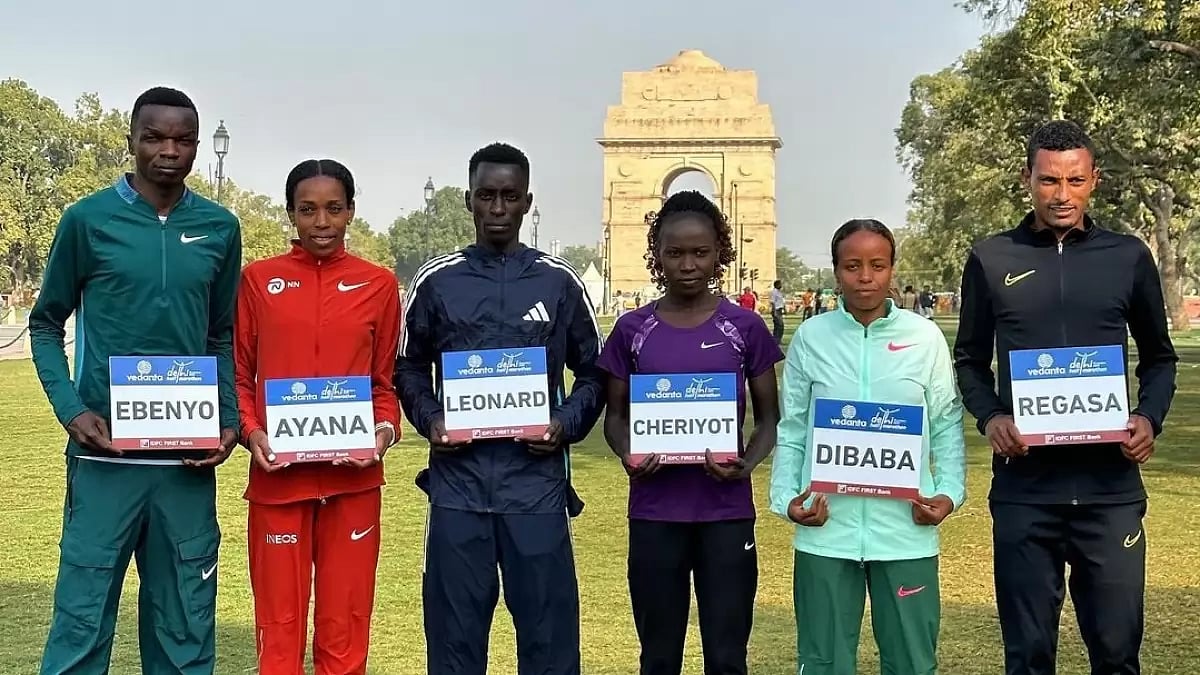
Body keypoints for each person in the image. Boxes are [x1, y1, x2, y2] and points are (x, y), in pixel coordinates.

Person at [29, 86, 241, 675]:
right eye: (155, 137)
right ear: (132, 140)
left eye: (182, 139)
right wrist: (72, 411)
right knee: (80, 624)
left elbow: (220, 335)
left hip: (185, 469)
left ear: (198, 147)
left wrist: (227, 420)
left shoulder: (220, 227)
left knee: (185, 631)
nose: (168, 150)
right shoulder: (87, 220)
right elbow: (44, 325)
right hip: (104, 464)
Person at [954, 120, 1177, 675]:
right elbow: (969, 361)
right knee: (1028, 658)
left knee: (1118, 655)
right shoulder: (991, 258)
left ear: (1094, 180)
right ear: (1028, 179)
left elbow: (1160, 357)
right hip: (1025, 493)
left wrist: (1148, 416)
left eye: (1075, 181)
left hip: (1110, 492)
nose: (1062, 195)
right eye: (1049, 181)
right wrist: (991, 418)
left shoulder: (1127, 257)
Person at [395, 142, 605, 675]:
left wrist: (565, 424)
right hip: (458, 491)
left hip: (535, 490)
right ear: (469, 199)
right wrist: (432, 419)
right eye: (486, 195)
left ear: (526, 201)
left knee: (548, 640)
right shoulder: (437, 280)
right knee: (454, 642)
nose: (496, 208)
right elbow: (408, 367)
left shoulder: (558, 281)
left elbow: (595, 370)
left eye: (509, 197)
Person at [769, 219, 966, 675]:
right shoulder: (812, 338)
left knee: (913, 664)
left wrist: (949, 493)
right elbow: (793, 427)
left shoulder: (924, 338)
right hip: (826, 530)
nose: (865, 277)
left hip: (904, 532)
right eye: (852, 266)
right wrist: (786, 501)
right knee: (823, 664)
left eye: (877, 265)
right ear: (836, 271)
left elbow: (946, 421)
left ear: (892, 269)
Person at [598, 191, 783, 675]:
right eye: (674, 252)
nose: (687, 264)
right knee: (659, 657)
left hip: (726, 514)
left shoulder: (745, 327)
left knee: (726, 657)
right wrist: (628, 453)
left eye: (700, 252)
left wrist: (746, 463)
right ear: (656, 254)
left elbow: (769, 421)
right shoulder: (631, 329)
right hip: (656, 513)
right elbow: (614, 419)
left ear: (720, 253)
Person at [234, 159, 401, 674]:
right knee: (279, 626)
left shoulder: (378, 284)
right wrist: (251, 430)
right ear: (291, 214)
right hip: (278, 484)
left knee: (345, 625)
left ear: (351, 211)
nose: (321, 222)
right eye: (308, 210)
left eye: (333, 208)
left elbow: (384, 385)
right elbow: (239, 377)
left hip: (353, 485)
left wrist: (383, 432)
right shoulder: (258, 281)